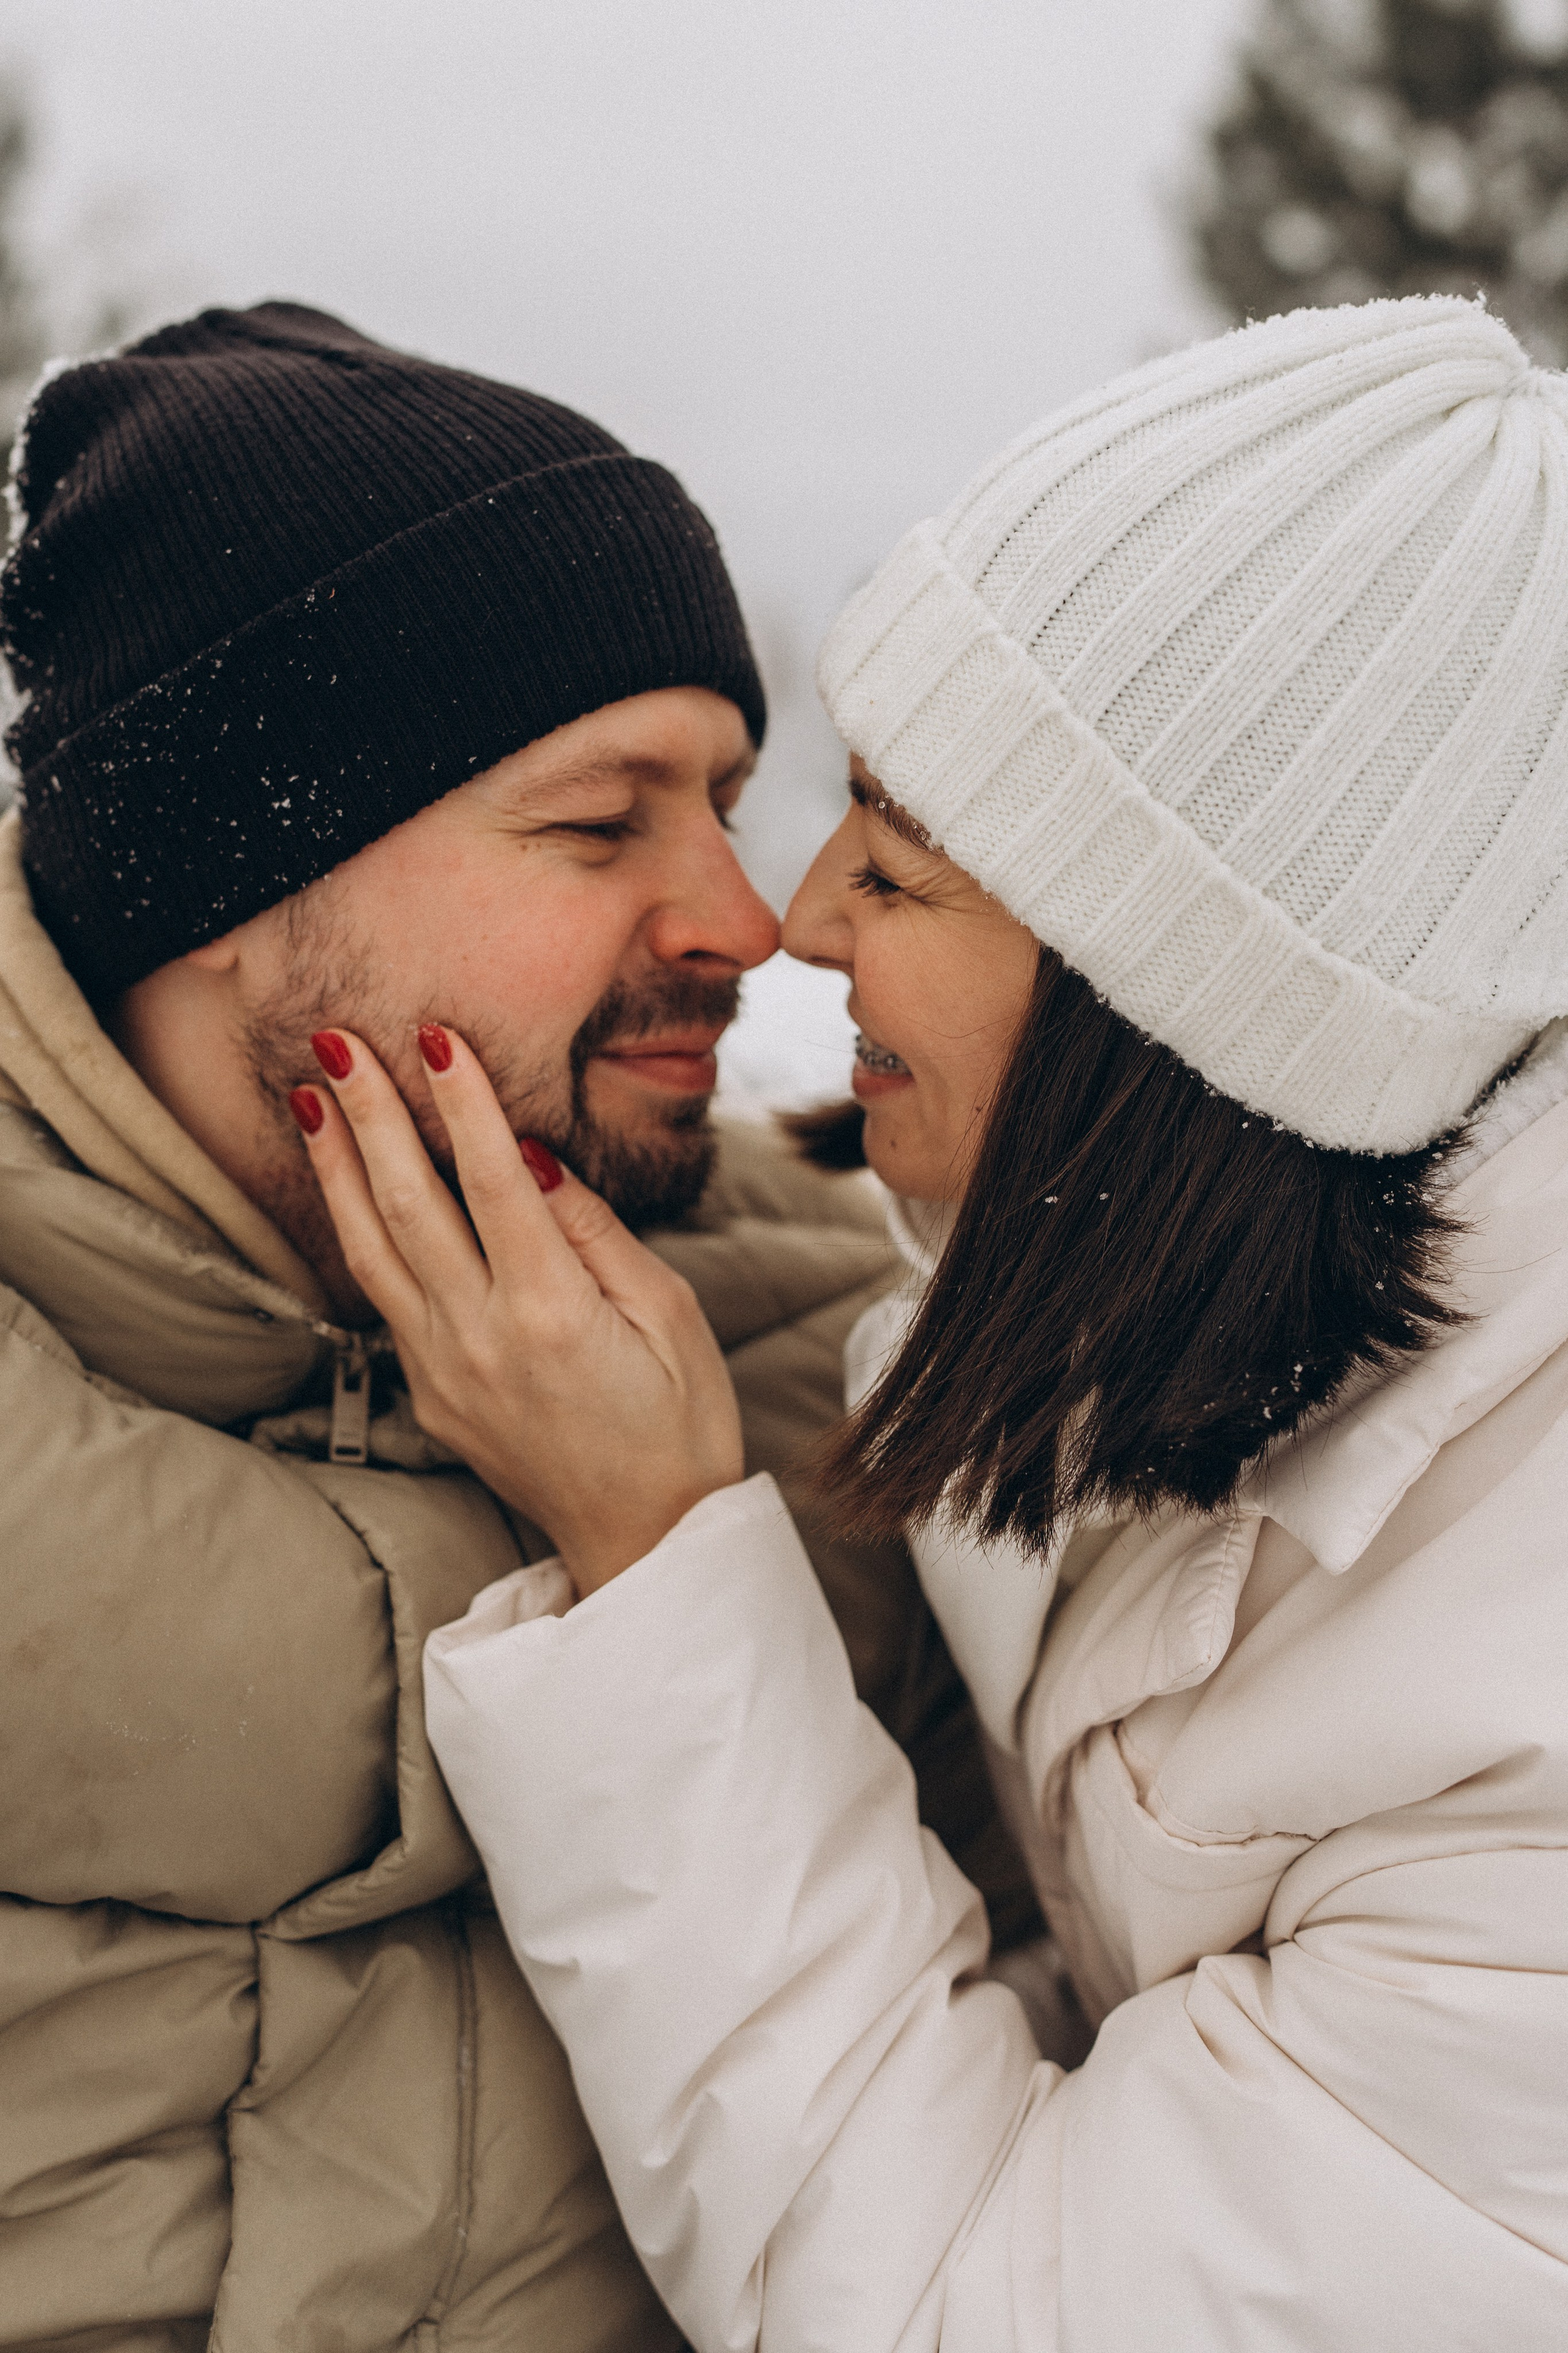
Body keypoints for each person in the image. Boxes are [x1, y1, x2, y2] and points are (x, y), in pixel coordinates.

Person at [298, 295, 1568, 2349]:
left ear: (1174, 1010)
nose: (794, 920)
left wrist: (650, 1569)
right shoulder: (1238, 1308)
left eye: (903, 855)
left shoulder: (1534, 1708)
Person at [0, 302, 1026, 2350]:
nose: (745, 918)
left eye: (727, 796)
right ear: (231, 873)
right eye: (597, 817)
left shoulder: (879, 1381)